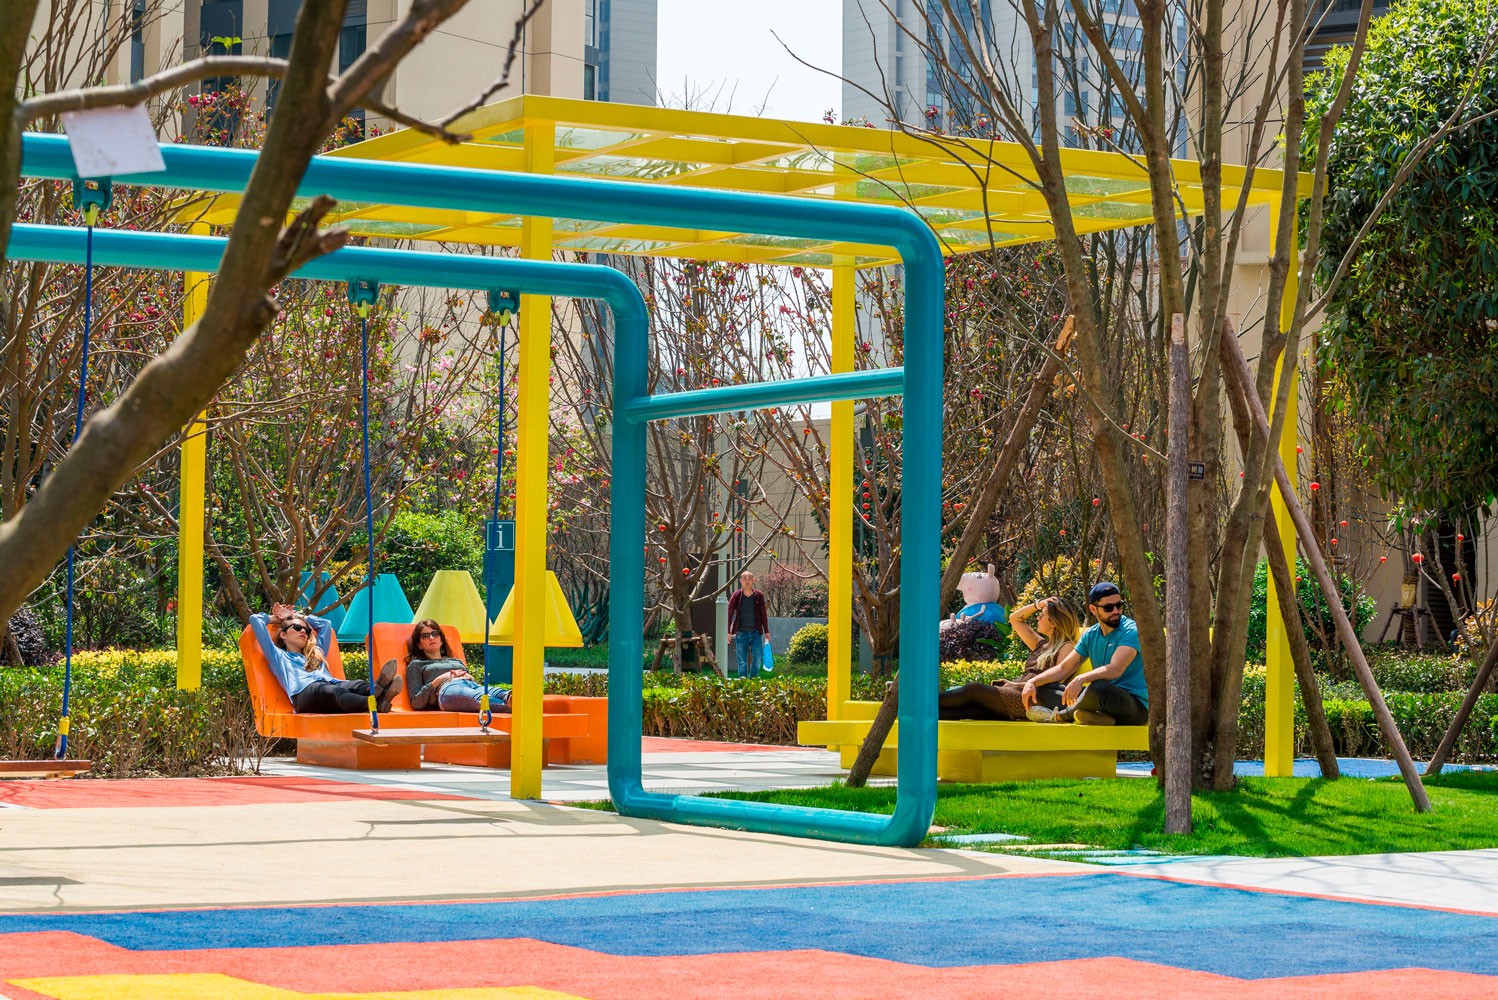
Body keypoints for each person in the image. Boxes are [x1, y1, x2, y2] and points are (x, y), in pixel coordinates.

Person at [1023, 582, 1150, 726]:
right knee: (1042, 688)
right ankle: (1099, 717)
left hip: (1133, 707)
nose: (1116, 611)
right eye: (1108, 608)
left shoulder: (1131, 631)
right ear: (1093, 609)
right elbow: (1063, 668)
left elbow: (1115, 669)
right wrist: (1032, 682)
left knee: (1099, 687)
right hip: (1098, 700)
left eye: (1119, 605)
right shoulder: (1091, 635)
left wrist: (1081, 678)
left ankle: (1060, 716)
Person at [939, 596, 1080, 721]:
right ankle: (925, 715)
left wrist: (1018, 685)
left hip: (1034, 699)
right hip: (1017, 694)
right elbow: (1015, 619)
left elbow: (1058, 678)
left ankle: (927, 702)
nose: (1038, 618)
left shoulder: (1067, 646)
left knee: (974, 689)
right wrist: (1038, 604)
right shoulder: (1041, 644)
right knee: (971, 710)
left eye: (1042, 615)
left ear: (1053, 623)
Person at [250, 602, 402, 713]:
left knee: (357, 685)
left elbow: (326, 625)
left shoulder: (316, 652)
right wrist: (278, 618)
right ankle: (375, 701)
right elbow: (255, 620)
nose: (303, 631)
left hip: (330, 684)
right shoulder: (278, 656)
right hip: (303, 694)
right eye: (297, 628)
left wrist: (297, 616)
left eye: (306, 630)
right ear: (283, 635)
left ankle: (377, 693)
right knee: (335, 693)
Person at [401, 619, 512, 714]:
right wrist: (440, 679)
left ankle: (513, 700)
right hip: (446, 689)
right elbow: (416, 702)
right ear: (419, 645)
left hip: (470, 685)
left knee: (498, 692)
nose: (431, 637)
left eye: (435, 634)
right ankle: (513, 708)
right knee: (479, 698)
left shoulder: (456, 661)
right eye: (425, 636)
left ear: (441, 640)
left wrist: (470, 677)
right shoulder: (417, 665)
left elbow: (473, 684)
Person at [726, 570, 769, 679]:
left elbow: (763, 614)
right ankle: (743, 679)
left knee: (758, 657)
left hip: (756, 632)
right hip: (741, 632)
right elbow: (729, 614)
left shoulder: (759, 595)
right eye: (744, 579)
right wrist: (728, 632)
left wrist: (767, 631)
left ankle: (753, 677)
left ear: (753, 580)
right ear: (740, 581)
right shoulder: (736, 596)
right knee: (742, 660)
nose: (747, 581)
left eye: (749, 578)